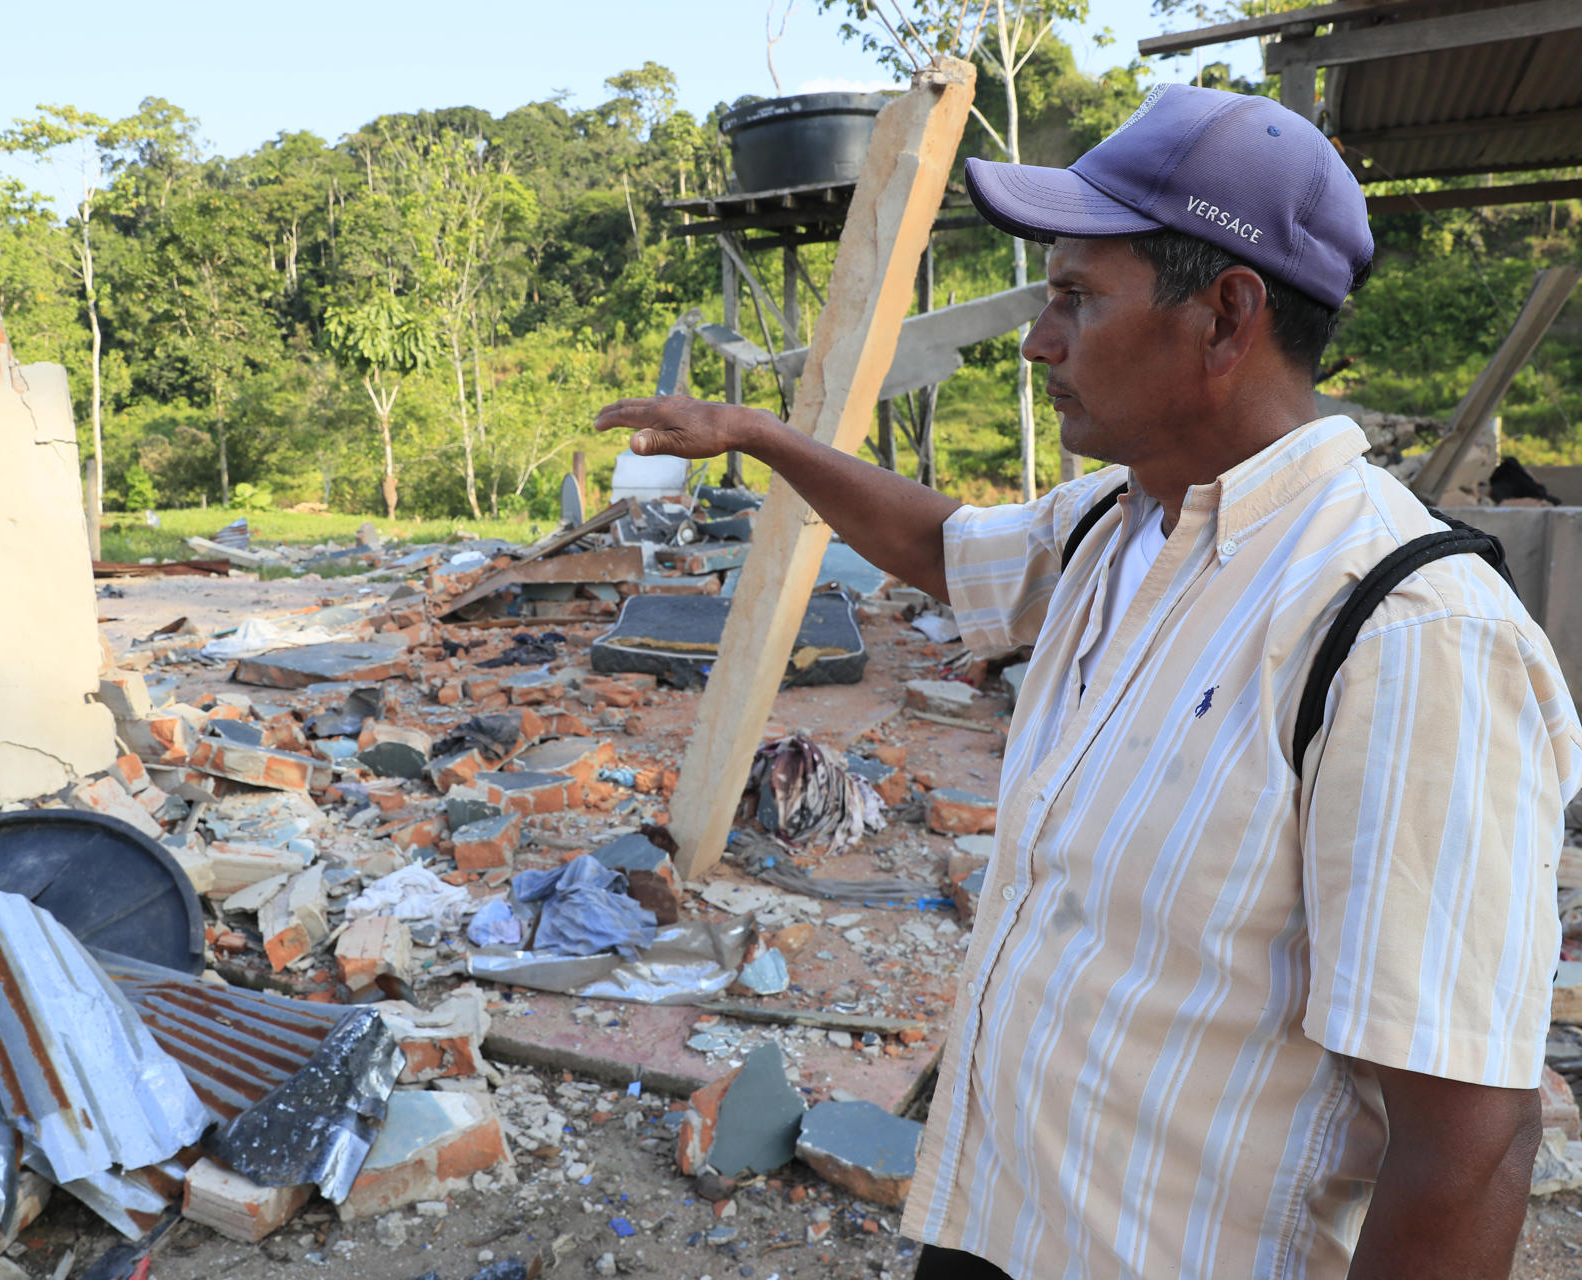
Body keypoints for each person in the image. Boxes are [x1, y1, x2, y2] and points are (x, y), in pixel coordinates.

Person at [594, 84, 1582, 1280]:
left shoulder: (1406, 633)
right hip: (999, 1216)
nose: (1038, 340)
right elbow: (943, 545)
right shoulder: (1121, 521)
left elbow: (1470, 1139)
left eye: (1077, 298)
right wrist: (761, 436)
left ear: (1226, 317)